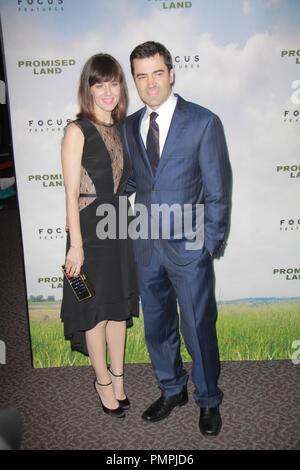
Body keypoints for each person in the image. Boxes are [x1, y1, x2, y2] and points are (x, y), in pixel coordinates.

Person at [123, 41, 231, 436]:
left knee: (198, 325)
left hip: (190, 246)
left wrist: (209, 243)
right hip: (146, 244)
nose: (150, 83)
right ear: (134, 80)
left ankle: (207, 398)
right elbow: (137, 179)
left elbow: (218, 188)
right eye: (141, 75)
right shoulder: (131, 124)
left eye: (157, 73)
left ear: (171, 73)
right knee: (157, 324)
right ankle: (172, 389)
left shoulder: (203, 122)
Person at [60, 53, 139, 419]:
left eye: (113, 83)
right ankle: (102, 381)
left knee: (118, 311)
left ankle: (119, 377)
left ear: (120, 87)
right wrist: (75, 246)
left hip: (120, 226)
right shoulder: (77, 131)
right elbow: (71, 194)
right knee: (93, 312)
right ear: (88, 88)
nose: (108, 92)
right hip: (88, 237)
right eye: (99, 84)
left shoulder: (125, 127)